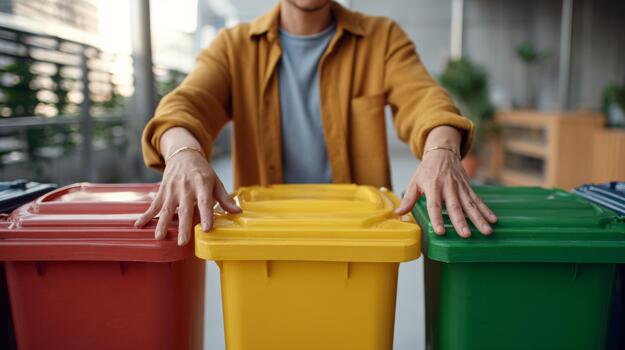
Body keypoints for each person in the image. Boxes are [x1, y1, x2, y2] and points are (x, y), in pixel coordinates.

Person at [135, 0, 497, 245]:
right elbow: (185, 106)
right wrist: (183, 152)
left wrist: (442, 148)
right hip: (264, 238)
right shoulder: (233, 47)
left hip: (356, 239)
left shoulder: (382, 38)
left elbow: (425, 100)